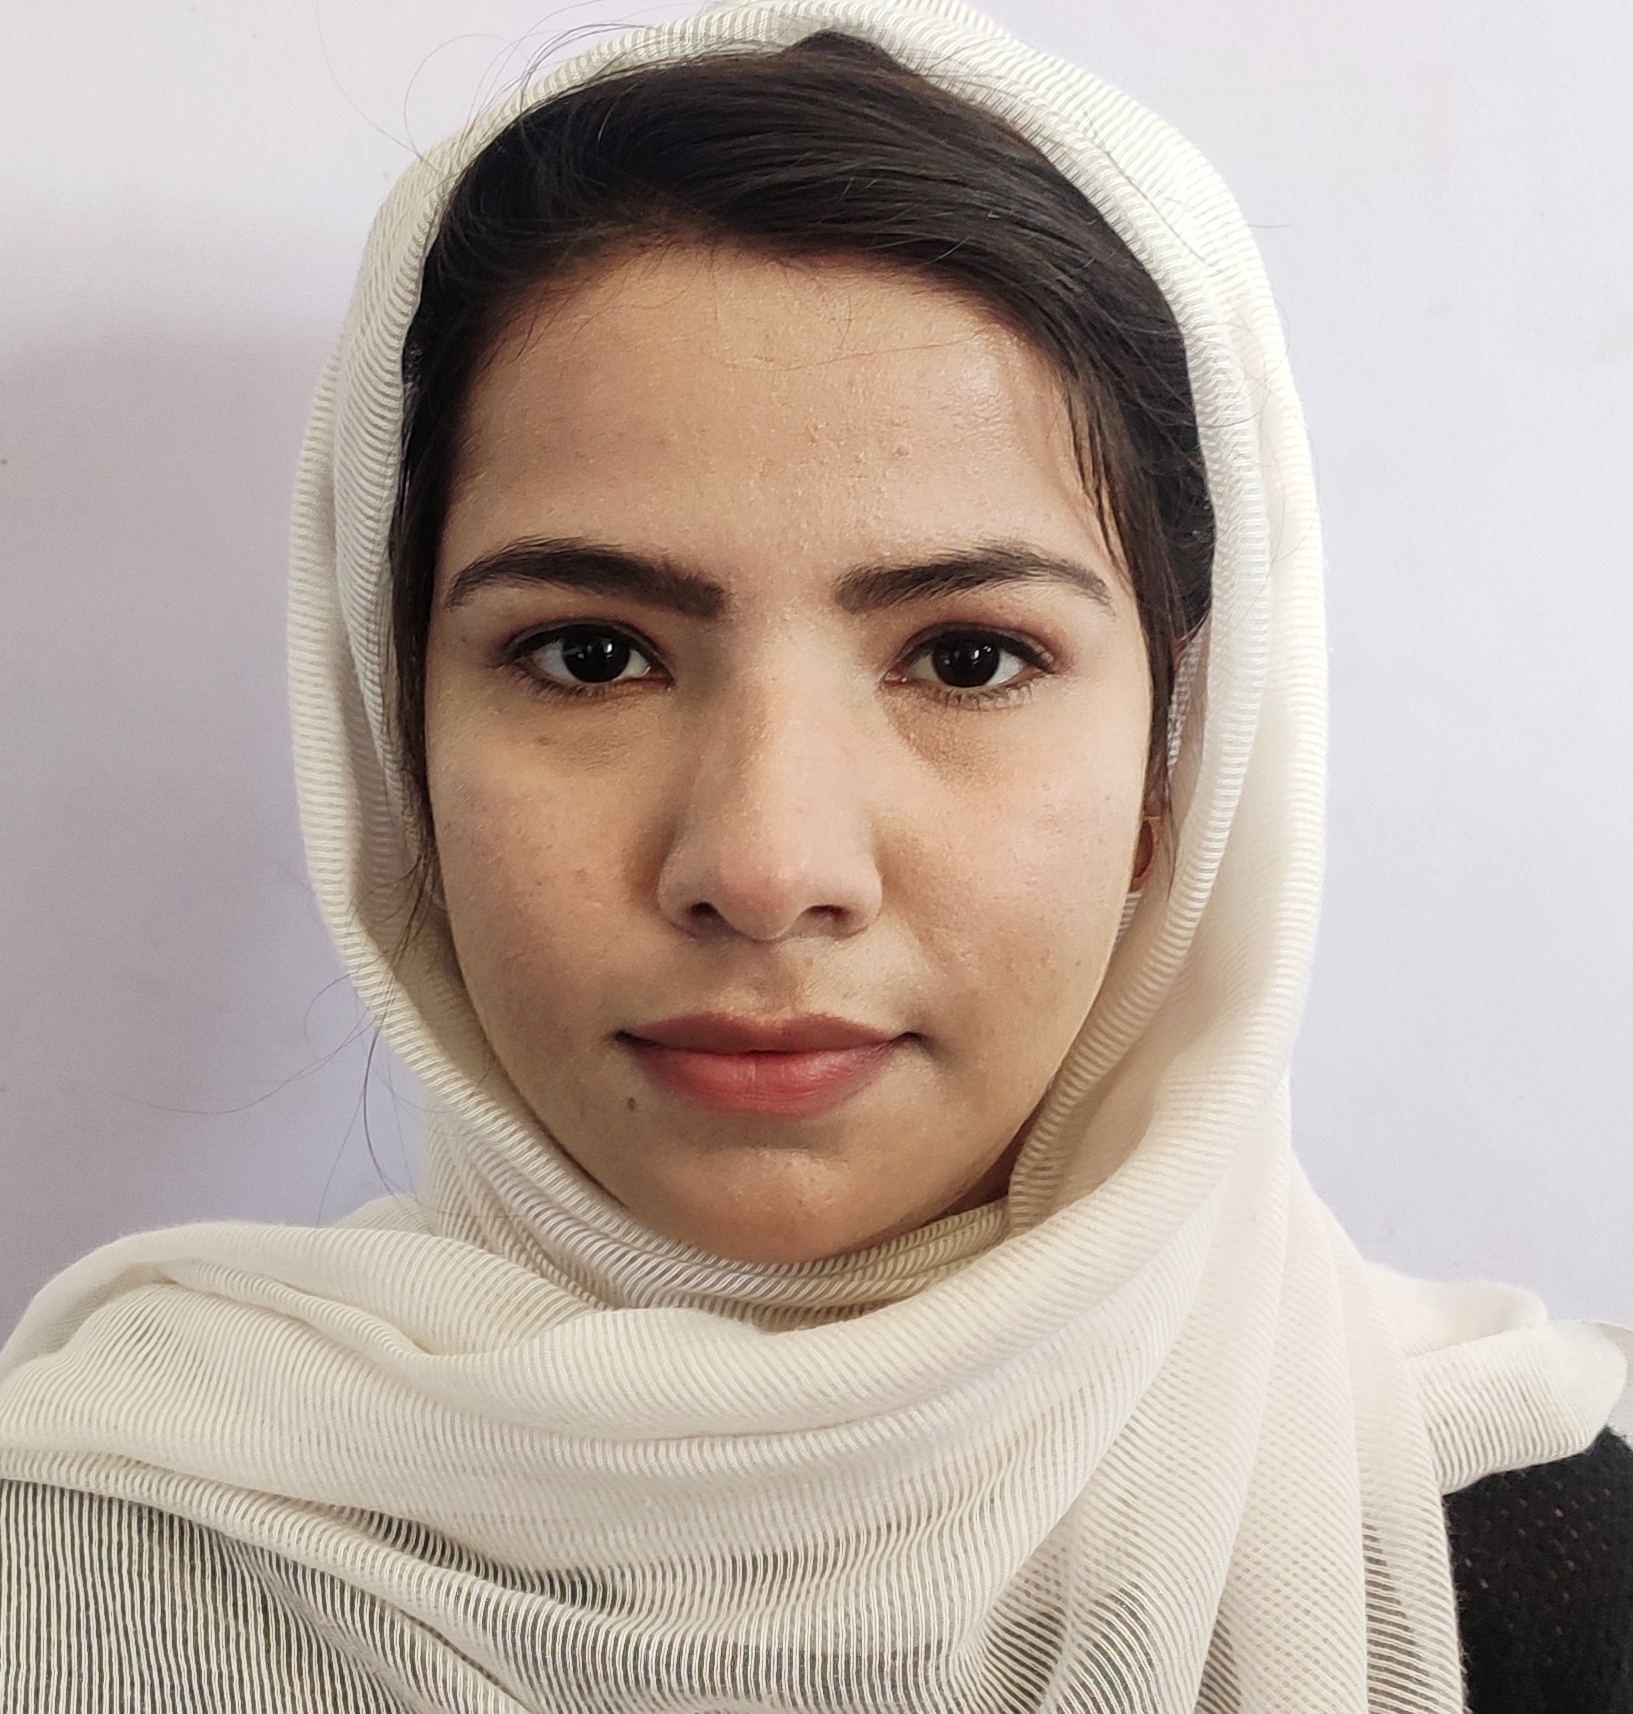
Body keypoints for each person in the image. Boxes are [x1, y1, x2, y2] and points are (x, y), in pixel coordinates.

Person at [1, 2, 1629, 1709]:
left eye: (967, 658)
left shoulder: (1531, 1559)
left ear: (1177, 769)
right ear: (396, 746)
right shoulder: (90, 1576)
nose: (767, 867)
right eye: (590, 655)